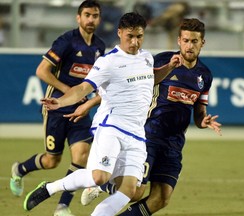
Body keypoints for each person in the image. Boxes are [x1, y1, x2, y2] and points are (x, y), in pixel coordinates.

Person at [23, 12, 182, 216]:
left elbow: (150, 78)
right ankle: (50, 188)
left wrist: (169, 67)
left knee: (130, 190)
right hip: (112, 127)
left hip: (137, 134)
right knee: (99, 177)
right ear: (120, 33)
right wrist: (60, 101)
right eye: (130, 36)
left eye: (139, 36)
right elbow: (83, 88)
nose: (135, 42)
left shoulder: (146, 57)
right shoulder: (108, 62)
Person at [81, 18, 222, 215]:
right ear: (179, 41)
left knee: (162, 198)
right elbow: (125, 84)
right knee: (136, 192)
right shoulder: (162, 61)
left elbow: (199, 114)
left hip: (174, 143)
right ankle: (99, 184)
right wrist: (89, 102)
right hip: (150, 136)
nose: (190, 46)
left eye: (195, 41)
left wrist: (204, 121)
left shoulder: (204, 75)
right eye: (186, 40)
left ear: (202, 43)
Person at [10, 1, 105, 215]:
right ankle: (20, 169)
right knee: (52, 161)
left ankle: (62, 206)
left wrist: (85, 97)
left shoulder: (100, 47)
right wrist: (69, 92)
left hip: (80, 112)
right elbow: (42, 71)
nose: (91, 19)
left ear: (99, 19)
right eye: (87, 15)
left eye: (95, 15)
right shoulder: (66, 42)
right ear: (78, 18)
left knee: (81, 156)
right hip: (56, 110)